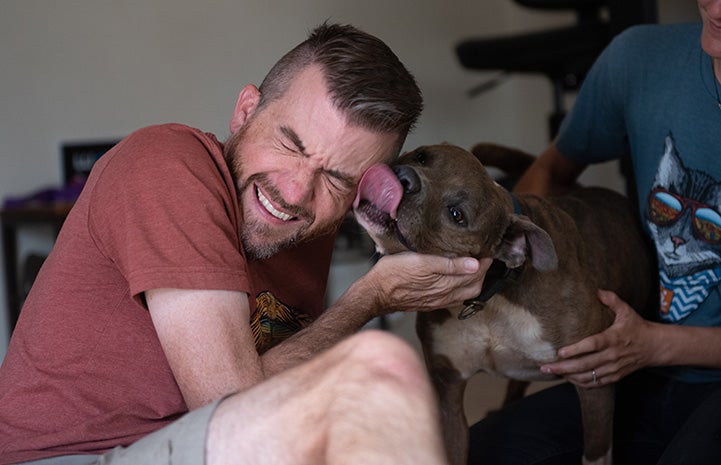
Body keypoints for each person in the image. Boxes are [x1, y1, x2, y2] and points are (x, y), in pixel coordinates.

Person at [0, 23, 489, 465]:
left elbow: (272, 402)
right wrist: (369, 298)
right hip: (69, 458)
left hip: (188, 447)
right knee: (378, 370)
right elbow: (233, 403)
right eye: (290, 145)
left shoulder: (308, 228)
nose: (296, 192)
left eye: (338, 179)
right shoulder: (166, 163)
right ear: (245, 110)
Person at [468, 1, 721, 464]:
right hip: (645, 370)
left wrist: (652, 344)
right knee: (487, 451)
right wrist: (522, 271)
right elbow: (552, 169)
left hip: (672, 360)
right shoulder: (640, 59)